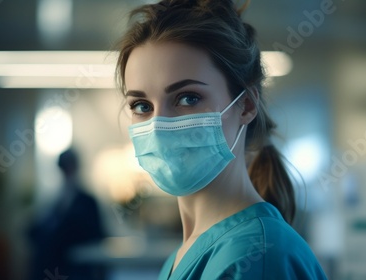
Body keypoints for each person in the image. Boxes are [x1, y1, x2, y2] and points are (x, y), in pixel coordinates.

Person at [115, 0, 327, 279]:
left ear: (247, 105)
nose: (159, 125)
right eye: (141, 106)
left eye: (187, 98)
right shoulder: (182, 256)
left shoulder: (256, 258)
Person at [27, 149, 107, 280]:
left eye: (69, 167)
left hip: (74, 266)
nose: (67, 172)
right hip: (52, 264)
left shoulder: (87, 201)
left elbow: (97, 233)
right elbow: (36, 230)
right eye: (64, 167)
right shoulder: (54, 200)